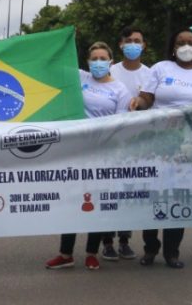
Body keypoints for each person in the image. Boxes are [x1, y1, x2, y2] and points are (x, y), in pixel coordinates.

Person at [131, 28, 192, 269]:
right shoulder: (160, 68)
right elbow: (147, 98)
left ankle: (172, 252)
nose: (186, 46)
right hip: (159, 140)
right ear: (173, 47)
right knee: (154, 195)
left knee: (179, 196)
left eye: (190, 42)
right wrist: (138, 103)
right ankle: (150, 248)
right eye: (180, 42)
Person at [46, 42, 134, 271]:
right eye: (93, 58)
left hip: (103, 154)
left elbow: (121, 124)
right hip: (75, 151)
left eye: (102, 58)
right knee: (72, 202)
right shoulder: (82, 78)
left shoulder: (120, 90)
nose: (97, 62)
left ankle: (92, 253)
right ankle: (66, 254)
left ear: (111, 62)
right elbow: (55, 63)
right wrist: (67, 41)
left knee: (95, 204)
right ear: (87, 62)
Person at [103, 27, 153, 260]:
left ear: (144, 46)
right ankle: (106, 241)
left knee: (129, 192)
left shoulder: (150, 74)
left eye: (137, 41)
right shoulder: (109, 70)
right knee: (107, 191)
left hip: (137, 142)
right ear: (121, 45)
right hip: (108, 141)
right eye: (128, 41)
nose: (133, 44)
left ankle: (124, 240)